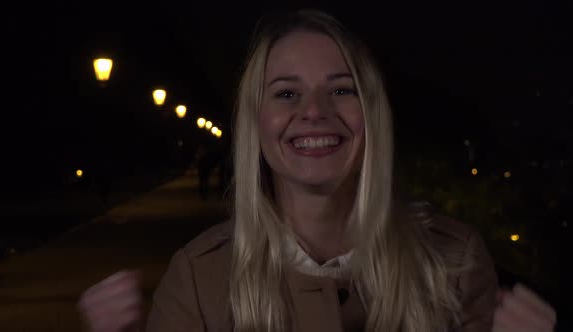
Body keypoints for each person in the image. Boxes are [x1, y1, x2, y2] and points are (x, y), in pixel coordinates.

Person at [78, 9, 557, 332]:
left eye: (342, 90)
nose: (314, 112)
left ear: (373, 114)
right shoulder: (199, 280)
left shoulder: (454, 263)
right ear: (256, 121)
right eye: (287, 93)